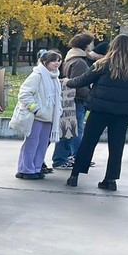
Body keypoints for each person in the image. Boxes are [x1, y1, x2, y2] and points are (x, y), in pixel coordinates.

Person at [66, 33, 128, 191]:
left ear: (112, 46)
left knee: (88, 142)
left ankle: (75, 176)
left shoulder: (102, 64)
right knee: (116, 147)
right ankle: (110, 180)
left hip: (99, 110)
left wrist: (68, 82)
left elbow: (82, 80)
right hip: (122, 113)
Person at [14, 51, 62, 180]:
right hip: (36, 117)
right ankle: (25, 169)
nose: (57, 63)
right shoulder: (37, 76)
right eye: (54, 60)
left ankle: (36, 167)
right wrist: (36, 109)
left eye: (59, 60)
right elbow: (24, 94)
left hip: (49, 117)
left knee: (42, 144)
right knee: (31, 143)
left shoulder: (55, 77)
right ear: (45, 62)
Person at [51, 32, 94, 169]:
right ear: (86, 45)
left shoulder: (71, 58)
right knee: (71, 130)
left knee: (69, 130)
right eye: (91, 42)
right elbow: (79, 84)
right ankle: (61, 159)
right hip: (76, 100)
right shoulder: (80, 62)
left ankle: (66, 157)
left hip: (69, 99)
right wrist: (90, 96)